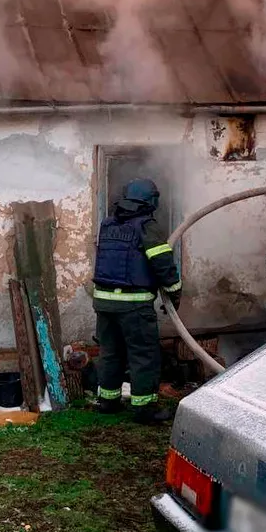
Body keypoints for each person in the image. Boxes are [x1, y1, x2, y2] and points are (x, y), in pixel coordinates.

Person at [93, 178, 182, 424]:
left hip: (104, 302)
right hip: (134, 304)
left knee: (110, 352)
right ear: (150, 201)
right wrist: (174, 292)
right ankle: (144, 409)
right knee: (143, 355)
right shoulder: (147, 227)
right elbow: (163, 264)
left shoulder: (108, 225)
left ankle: (108, 401)